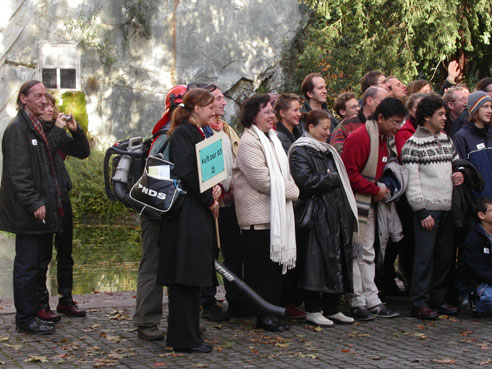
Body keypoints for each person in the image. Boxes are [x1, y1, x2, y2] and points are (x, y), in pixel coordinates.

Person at [156, 88, 221, 353]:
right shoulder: (184, 133)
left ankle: (190, 335)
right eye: (209, 107)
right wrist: (208, 198)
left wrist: (215, 189)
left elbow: (204, 173)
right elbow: (186, 172)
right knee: (184, 277)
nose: (213, 111)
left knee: (192, 277)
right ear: (195, 108)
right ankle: (184, 339)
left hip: (196, 214)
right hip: (186, 217)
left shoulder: (198, 133)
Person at [233, 94, 299, 332]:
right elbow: (262, 180)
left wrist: (288, 186)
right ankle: (263, 316)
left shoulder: (272, 139)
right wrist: (293, 190)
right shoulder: (250, 141)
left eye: (273, 111)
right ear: (253, 116)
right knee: (261, 270)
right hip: (256, 218)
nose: (272, 116)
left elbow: (285, 173)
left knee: (273, 270)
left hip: (275, 215)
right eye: (267, 112)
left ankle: (272, 313)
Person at [289, 109, 357, 326]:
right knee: (315, 262)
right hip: (316, 214)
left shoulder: (327, 151)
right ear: (311, 128)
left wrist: (330, 178)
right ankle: (313, 308)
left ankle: (332, 307)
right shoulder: (300, 151)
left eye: (329, 128)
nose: (328, 133)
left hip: (333, 212)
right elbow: (305, 183)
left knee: (334, 259)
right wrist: (331, 179)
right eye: (324, 128)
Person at [0, 80, 59, 334]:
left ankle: (34, 313)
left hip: (39, 209)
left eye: (45, 95)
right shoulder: (17, 129)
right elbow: (17, 174)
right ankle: (25, 319)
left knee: (35, 265)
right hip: (27, 211)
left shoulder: (35, 127)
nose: (44, 100)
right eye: (37, 96)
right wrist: (35, 201)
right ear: (23, 98)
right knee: (26, 265)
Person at [342, 97, 407, 321]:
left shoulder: (383, 138)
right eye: (395, 123)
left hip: (371, 201)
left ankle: (372, 298)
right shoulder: (360, 138)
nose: (398, 128)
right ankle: (357, 300)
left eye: (401, 123)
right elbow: (349, 175)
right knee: (356, 253)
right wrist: (374, 189)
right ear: (381, 118)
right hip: (357, 203)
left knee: (368, 252)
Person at [401, 94, 464, 320]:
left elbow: (456, 162)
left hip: (448, 208)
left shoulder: (446, 139)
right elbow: (412, 181)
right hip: (428, 211)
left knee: (444, 258)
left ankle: (437, 301)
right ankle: (420, 303)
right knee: (424, 259)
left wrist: (459, 173)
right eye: (440, 114)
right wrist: (421, 211)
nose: (445, 118)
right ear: (427, 117)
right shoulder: (413, 145)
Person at [133, 85, 186, 341]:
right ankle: (146, 322)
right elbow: (157, 179)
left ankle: (183, 318)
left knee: (178, 266)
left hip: (172, 211)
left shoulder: (177, 134)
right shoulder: (165, 137)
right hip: (157, 213)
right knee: (152, 268)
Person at [36, 93, 90, 322]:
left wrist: (76, 130)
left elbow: (82, 152)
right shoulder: (36, 132)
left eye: (52, 106)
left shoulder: (56, 130)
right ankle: (41, 304)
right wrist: (58, 129)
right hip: (44, 200)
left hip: (62, 197)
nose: (50, 110)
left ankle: (65, 300)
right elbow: (46, 152)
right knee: (43, 255)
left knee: (66, 252)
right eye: (45, 106)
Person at [200, 85, 243, 321]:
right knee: (210, 253)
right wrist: (226, 184)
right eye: (218, 99)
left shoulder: (227, 130)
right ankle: (207, 302)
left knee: (234, 253)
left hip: (231, 204)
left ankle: (235, 299)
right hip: (211, 202)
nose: (224, 103)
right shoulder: (203, 132)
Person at [453, 91, 492, 198]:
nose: (489, 111)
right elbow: (461, 169)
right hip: (478, 201)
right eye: (485, 107)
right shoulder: (461, 137)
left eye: (490, 107)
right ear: (474, 110)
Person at [330, 87, 389, 154]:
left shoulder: (384, 124)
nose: (357, 109)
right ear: (369, 101)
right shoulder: (346, 126)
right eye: (353, 107)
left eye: (358, 105)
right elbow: (336, 155)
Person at [461, 198, 492, 316]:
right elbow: (478, 270)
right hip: (481, 286)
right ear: (481, 215)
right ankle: (476, 304)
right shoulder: (473, 239)